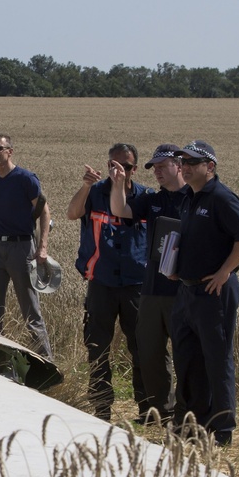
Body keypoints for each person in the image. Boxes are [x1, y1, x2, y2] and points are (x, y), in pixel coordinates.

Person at [169, 140, 239, 446]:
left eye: (193, 162)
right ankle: (194, 425)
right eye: (183, 162)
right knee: (188, 358)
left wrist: (225, 271)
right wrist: (175, 267)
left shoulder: (221, 197)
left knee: (217, 359)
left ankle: (222, 430)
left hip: (215, 292)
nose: (186, 167)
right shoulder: (188, 198)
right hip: (187, 290)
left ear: (210, 166)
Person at [66, 144, 152, 421]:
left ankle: (148, 409)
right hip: (101, 282)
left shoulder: (144, 198)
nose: (118, 170)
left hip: (135, 283)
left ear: (134, 170)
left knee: (141, 346)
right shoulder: (95, 193)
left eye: (125, 166)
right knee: (98, 348)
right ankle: (101, 408)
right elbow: (72, 213)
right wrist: (85, 186)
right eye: (113, 165)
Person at [108, 144, 187, 426]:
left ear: (180, 166)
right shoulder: (154, 200)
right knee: (150, 351)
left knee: (185, 353)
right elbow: (120, 210)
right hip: (152, 289)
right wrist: (118, 184)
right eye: (154, 168)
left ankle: (185, 413)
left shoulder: (194, 199)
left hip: (183, 292)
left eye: (163, 167)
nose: (158, 173)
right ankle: (161, 412)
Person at [0, 134, 53, 360]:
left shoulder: (26, 179)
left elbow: (44, 212)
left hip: (21, 248)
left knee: (30, 311)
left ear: (10, 151)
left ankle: (47, 364)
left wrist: (42, 247)